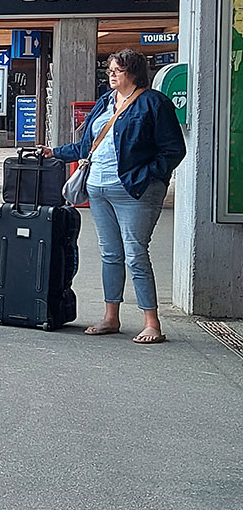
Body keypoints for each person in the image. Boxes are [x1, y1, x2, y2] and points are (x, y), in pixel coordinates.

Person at [38, 49, 185, 345]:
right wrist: (55, 152)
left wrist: (147, 175)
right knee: (110, 254)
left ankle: (151, 323)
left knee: (136, 254)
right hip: (98, 186)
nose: (111, 75)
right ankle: (111, 317)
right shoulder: (106, 102)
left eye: (116, 70)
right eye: (109, 70)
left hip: (135, 189)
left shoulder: (154, 103)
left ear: (133, 72)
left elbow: (173, 150)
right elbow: (86, 144)